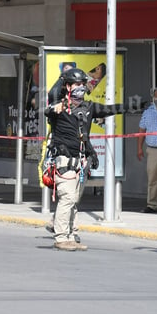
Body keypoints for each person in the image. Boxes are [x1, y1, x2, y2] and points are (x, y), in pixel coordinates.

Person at [44, 67, 124, 251]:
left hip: (80, 163)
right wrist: (55, 102)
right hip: (64, 162)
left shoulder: (87, 108)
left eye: (83, 84)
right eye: (77, 84)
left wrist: (142, 104)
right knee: (67, 199)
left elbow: (112, 109)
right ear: (68, 86)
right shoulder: (60, 106)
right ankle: (61, 236)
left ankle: (71, 235)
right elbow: (49, 108)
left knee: (73, 201)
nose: (81, 87)